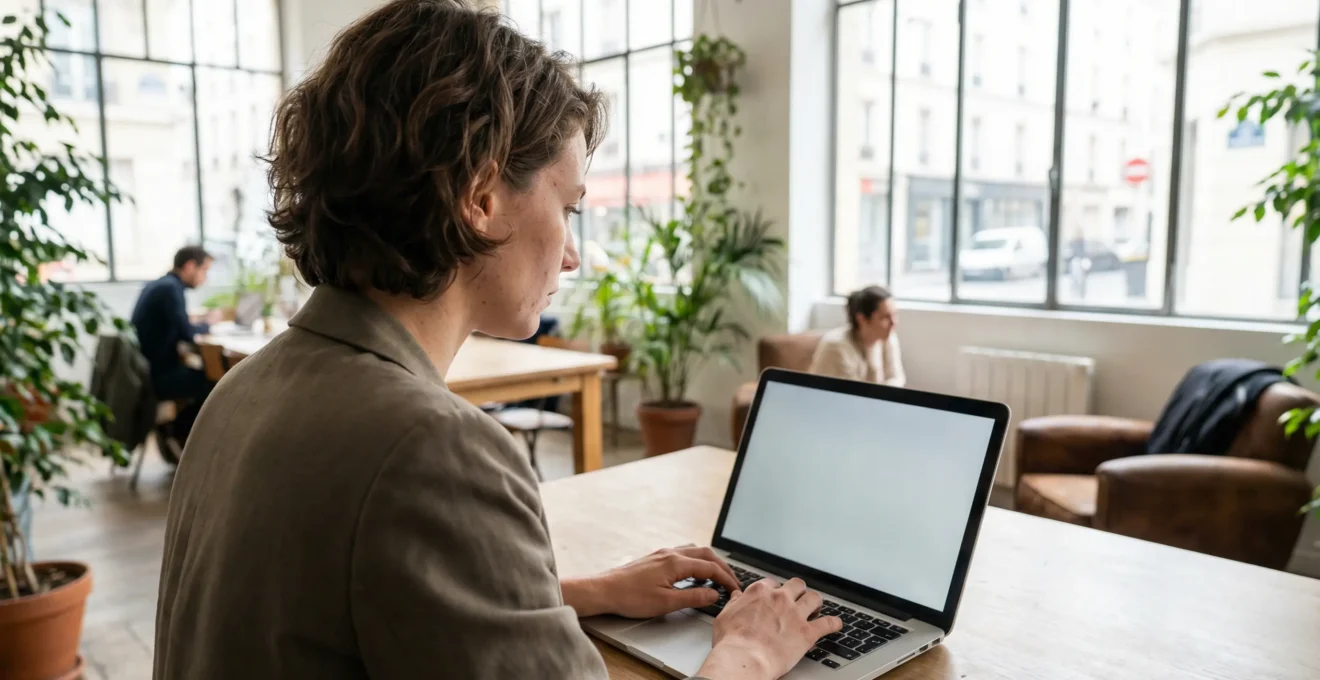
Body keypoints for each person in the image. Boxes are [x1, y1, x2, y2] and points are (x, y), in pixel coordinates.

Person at [153, 2, 840, 680]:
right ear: (480, 197)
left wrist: (575, 592)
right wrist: (747, 654)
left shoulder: (243, 390)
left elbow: (351, 603)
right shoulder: (431, 448)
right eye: (567, 208)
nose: (573, 256)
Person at [130, 245, 217, 452]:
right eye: (203, 270)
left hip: (147, 371)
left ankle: (175, 432)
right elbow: (186, 333)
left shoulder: (160, 285)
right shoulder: (171, 289)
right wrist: (208, 323)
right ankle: (177, 432)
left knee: (206, 376)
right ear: (189, 266)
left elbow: (176, 326)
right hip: (158, 376)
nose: (204, 278)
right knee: (217, 384)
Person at [808, 285, 906, 387]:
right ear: (861, 319)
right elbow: (851, 394)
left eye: (894, 314)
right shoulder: (835, 347)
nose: (893, 322)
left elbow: (896, 378)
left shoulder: (887, 337)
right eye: (885, 317)